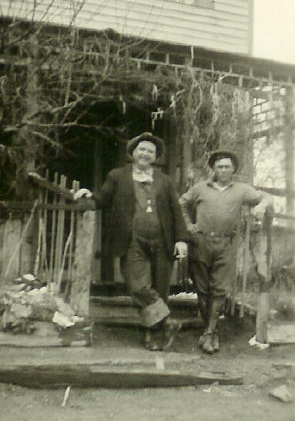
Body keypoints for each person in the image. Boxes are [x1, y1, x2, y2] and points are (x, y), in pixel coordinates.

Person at [74, 132, 188, 351]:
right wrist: (90, 195)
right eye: (141, 150)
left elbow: (176, 211)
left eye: (150, 151)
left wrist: (181, 239)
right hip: (132, 240)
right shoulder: (118, 176)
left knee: (160, 288)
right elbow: (104, 197)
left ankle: (151, 333)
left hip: (163, 241)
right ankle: (166, 322)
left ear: (156, 157)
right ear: (133, 153)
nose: (145, 154)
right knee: (139, 287)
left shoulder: (164, 180)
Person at [179, 150, 274, 354]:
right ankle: (209, 331)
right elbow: (181, 204)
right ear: (213, 168)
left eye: (227, 166)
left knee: (219, 289)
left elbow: (266, 196)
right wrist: (189, 225)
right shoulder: (200, 188)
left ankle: (210, 332)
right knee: (202, 289)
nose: (223, 170)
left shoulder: (241, 190)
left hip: (226, 243)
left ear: (233, 170)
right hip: (201, 241)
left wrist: (262, 206)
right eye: (219, 166)